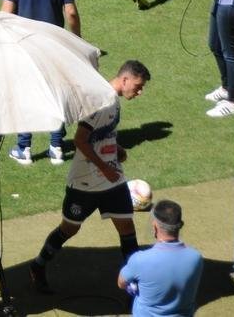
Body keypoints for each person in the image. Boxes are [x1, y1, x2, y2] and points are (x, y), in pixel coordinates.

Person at [28, 60, 153, 294]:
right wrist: (103, 167)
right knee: (69, 229)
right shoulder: (100, 102)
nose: (139, 91)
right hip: (85, 182)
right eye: (137, 86)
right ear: (124, 79)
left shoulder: (113, 100)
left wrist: (117, 149)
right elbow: (80, 140)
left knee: (127, 227)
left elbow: (103, 134)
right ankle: (38, 265)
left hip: (112, 180)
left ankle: (135, 284)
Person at [0, 0, 80, 164]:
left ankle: (24, 147)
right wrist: (77, 40)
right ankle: (56, 146)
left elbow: (6, 12)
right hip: (53, 45)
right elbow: (71, 13)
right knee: (56, 93)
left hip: (24, 47)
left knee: (26, 94)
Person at [117, 199, 203, 317]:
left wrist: (133, 287)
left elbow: (121, 283)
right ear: (180, 225)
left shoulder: (140, 260)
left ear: (155, 226)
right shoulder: (196, 257)